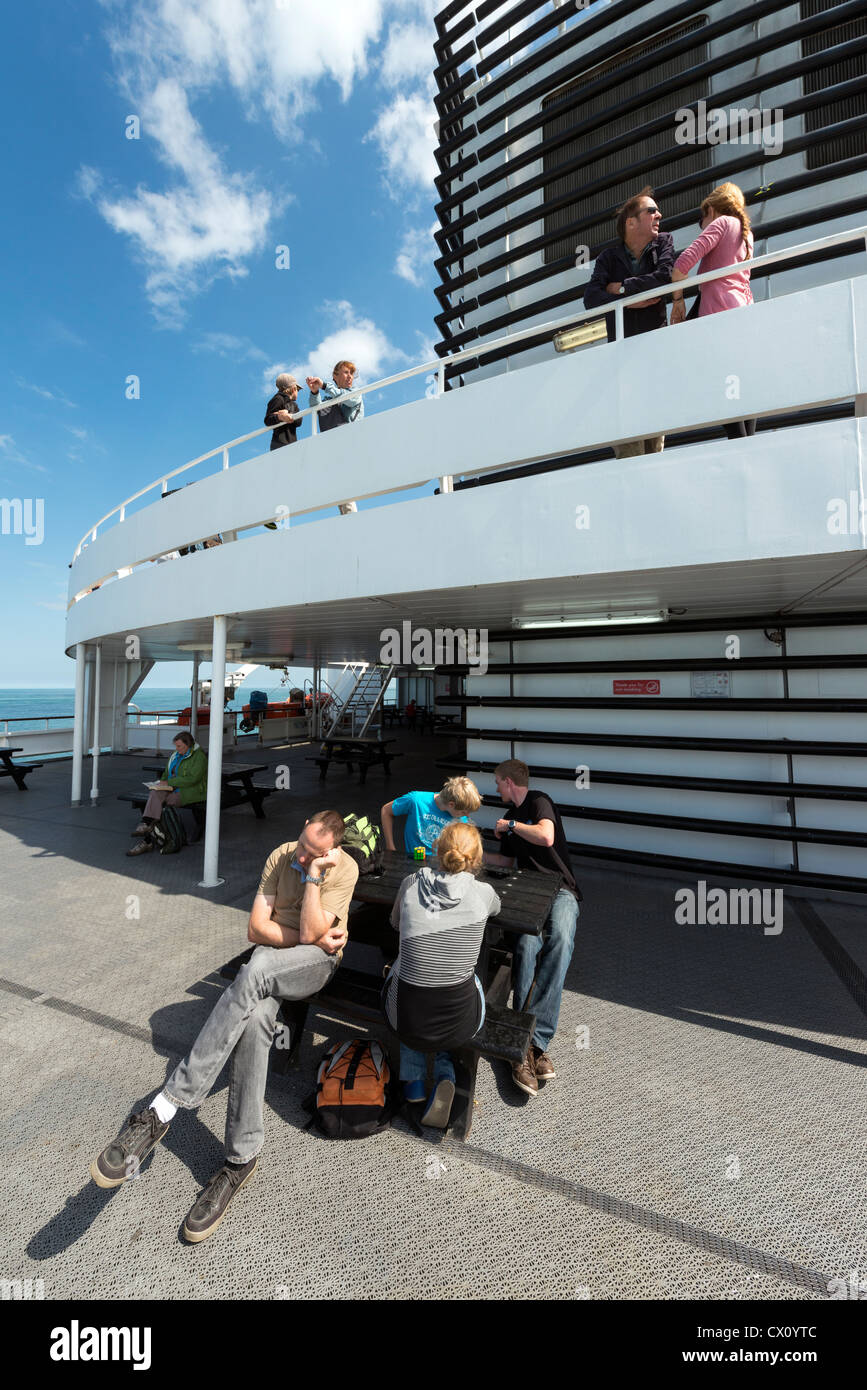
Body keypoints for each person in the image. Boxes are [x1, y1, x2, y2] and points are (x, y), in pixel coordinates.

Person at [92, 811, 357, 1242]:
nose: (301, 853)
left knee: (254, 970)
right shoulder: (280, 855)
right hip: (277, 959)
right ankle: (241, 1159)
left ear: (331, 852)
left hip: (316, 965)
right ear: (302, 825)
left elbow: (313, 935)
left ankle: (165, 1107)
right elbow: (255, 927)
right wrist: (300, 935)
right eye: (301, 842)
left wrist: (311, 880)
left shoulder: (343, 869)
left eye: (312, 852)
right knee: (253, 1020)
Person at [384, 822, 500, 1128]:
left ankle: (414, 1088)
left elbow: (394, 923)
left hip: (404, 1016)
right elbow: (496, 909)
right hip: (460, 1020)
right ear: (477, 858)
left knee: (407, 977)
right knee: (460, 981)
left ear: (437, 849)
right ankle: (446, 1074)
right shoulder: (483, 893)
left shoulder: (410, 882)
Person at [485, 759, 581, 1098]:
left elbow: (546, 835)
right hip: (527, 893)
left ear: (510, 781)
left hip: (560, 890)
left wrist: (510, 824)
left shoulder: (539, 800)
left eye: (498, 782)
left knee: (562, 940)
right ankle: (525, 1045)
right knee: (526, 947)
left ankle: (530, 1041)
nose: (495, 788)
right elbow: (508, 863)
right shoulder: (511, 821)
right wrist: (466, 854)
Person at [583, 186, 675, 458]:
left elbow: (664, 277)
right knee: (628, 444)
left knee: (654, 442)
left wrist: (621, 289)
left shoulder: (663, 243)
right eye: (652, 211)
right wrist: (630, 300)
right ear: (631, 222)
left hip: (653, 357)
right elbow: (590, 298)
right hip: (621, 363)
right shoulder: (608, 258)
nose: (659, 214)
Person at [670, 182, 756, 441]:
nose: (702, 224)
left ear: (711, 209)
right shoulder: (747, 234)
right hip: (743, 311)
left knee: (718, 383)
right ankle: (747, 444)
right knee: (739, 386)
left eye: (701, 217)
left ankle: (739, 444)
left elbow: (681, 266)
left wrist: (677, 301)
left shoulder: (721, 223)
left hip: (718, 311)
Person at [127, 730, 207, 857]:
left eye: (179, 746)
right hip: (171, 787)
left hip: (190, 791)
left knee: (160, 804)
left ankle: (147, 839)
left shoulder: (199, 757)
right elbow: (166, 772)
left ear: (189, 745)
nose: (177, 749)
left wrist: (169, 782)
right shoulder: (175, 755)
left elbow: (193, 779)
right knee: (154, 793)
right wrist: (161, 782)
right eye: (176, 746)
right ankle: (146, 824)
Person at [305, 361, 363, 514]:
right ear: (335, 376)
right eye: (346, 372)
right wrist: (315, 391)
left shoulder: (355, 393)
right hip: (331, 449)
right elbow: (315, 407)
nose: (350, 376)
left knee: (346, 492)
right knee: (340, 494)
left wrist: (324, 385)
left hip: (348, 447)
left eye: (351, 373)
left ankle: (352, 525)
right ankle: (349, 523)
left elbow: (348, 399)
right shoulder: (328, 400)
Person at [382, 775, 482, 856]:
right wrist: (390, 847)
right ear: (451, 804)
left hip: (443, 868)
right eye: (464, 812)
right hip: (414, 863)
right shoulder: (416, 800)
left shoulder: (462, 819)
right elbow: (386, 811)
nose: (467, 816)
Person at [263, 373, 302, 451]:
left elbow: (299, 422)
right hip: (278, 444)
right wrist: (280, 417)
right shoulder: (278, 399)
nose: (298, 392)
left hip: (292, 443)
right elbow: (268, 420)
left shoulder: (294, 405)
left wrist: (289, 415)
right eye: (298, 389)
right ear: (294, 388)